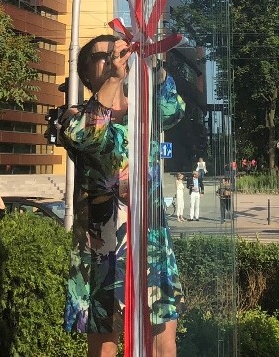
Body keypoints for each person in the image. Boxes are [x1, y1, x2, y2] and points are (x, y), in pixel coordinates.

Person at [60, 34, 185, 357]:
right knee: (105, 344)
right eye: (104, 54)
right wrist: (114, 79)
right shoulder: (75, 115)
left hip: (151, 242)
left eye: (119, 49)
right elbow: (86, 136)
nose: (116, 55)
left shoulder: (142, 111)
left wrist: (154, 66)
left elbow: (174, 108)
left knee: (163, 338)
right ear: (87, 73)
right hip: (105, 247)